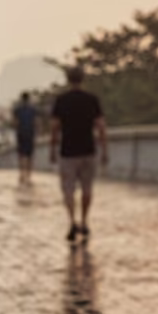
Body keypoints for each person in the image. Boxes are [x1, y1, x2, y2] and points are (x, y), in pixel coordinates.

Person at [49, 67, 107, 242]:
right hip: (88, 150)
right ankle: (85, 221)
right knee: (87, 188)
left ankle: (72, 221)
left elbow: (54, 128)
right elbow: (101, 126)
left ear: (68, 79)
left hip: (67, 151)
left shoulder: (61, 101)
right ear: (83, 79)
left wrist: (52, 150)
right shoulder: (92, 100)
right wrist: (104, 150)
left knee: (68, 190)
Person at [12, 92, 38, 185]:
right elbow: (35, 122)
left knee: (21, 155)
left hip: (21, 134)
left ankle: (22, 174)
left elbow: (15, 123)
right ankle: (29, 175)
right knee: (30, 155)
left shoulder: (17, 110)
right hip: (30, 134)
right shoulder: (33, 110)